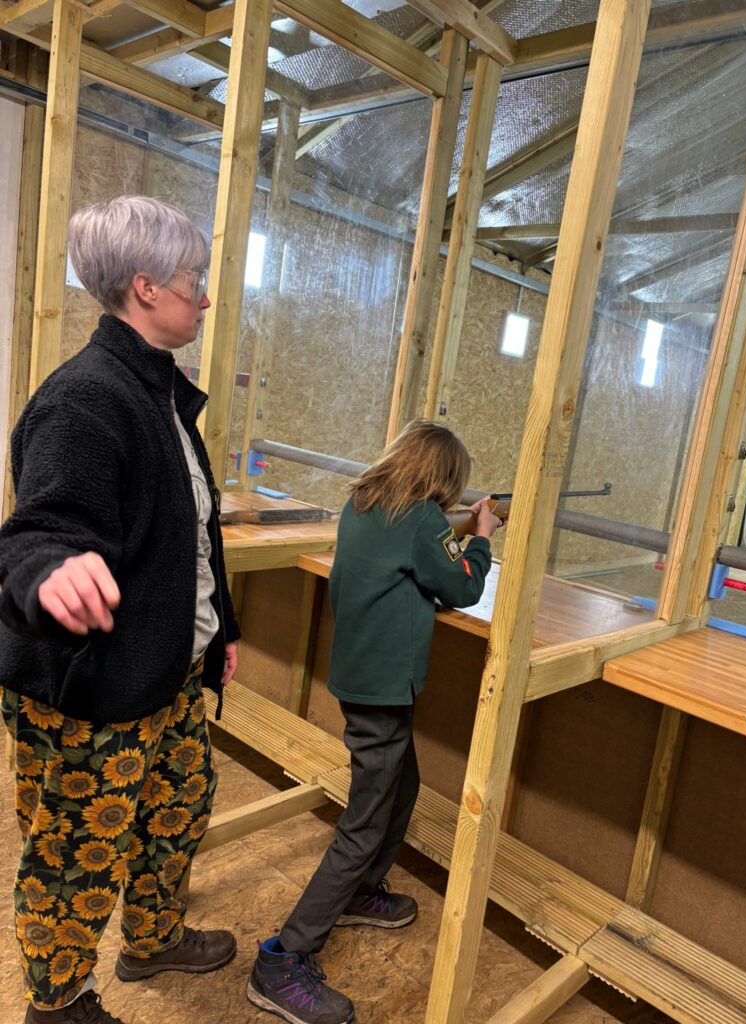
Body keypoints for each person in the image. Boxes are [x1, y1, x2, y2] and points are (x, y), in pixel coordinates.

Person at [0, 196, 241, 1024]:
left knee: (180, 806)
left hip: (165, 673)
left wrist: (221, 629)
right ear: (146, 287)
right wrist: (51, 571)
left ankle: (153, 937)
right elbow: (38, 532)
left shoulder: (159, 391)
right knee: (78, 855)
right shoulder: (85, 400)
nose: (204, 296)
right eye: (193, 279)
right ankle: (58, 1004)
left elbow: (193, 532)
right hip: (92, 687)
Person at [247, 420, 501, 1024]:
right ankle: (284, 957)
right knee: (361, 826)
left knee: (403, 785)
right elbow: (462, 586)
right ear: (442, 477)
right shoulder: (421, 519)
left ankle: (361, 891)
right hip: (383, 690)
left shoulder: (363, 503)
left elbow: (408, 560)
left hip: (361, 677)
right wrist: (482, 536)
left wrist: (457, 531)